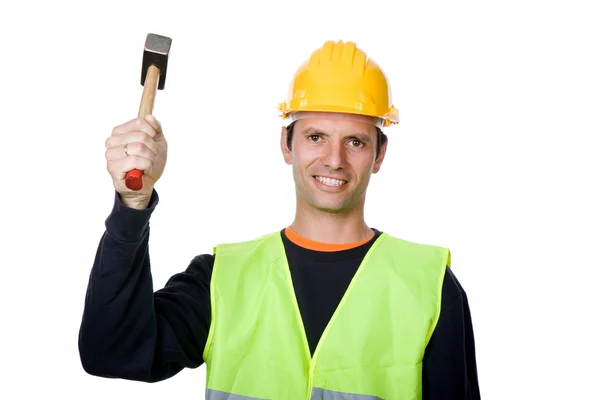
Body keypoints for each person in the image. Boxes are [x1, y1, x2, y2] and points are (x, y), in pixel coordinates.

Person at [79, 40, 480, 399]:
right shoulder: (221, 280)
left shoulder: (429, 286)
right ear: (286, 145)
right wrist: (132, 205)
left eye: (355, 141)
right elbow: (111, 352)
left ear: (379, 154)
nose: (334, 159)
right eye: (315, 137)